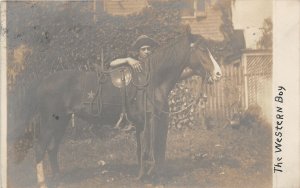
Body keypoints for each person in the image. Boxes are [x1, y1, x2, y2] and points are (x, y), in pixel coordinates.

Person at [110, 35, 159, 131]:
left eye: (148, 49)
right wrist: (128, 60)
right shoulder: (134, 62)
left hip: (152, 102)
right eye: (143, 49)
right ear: (139, 51)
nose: (146, 51)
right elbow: (112, 63)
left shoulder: (156, 63)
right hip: (136, 102)